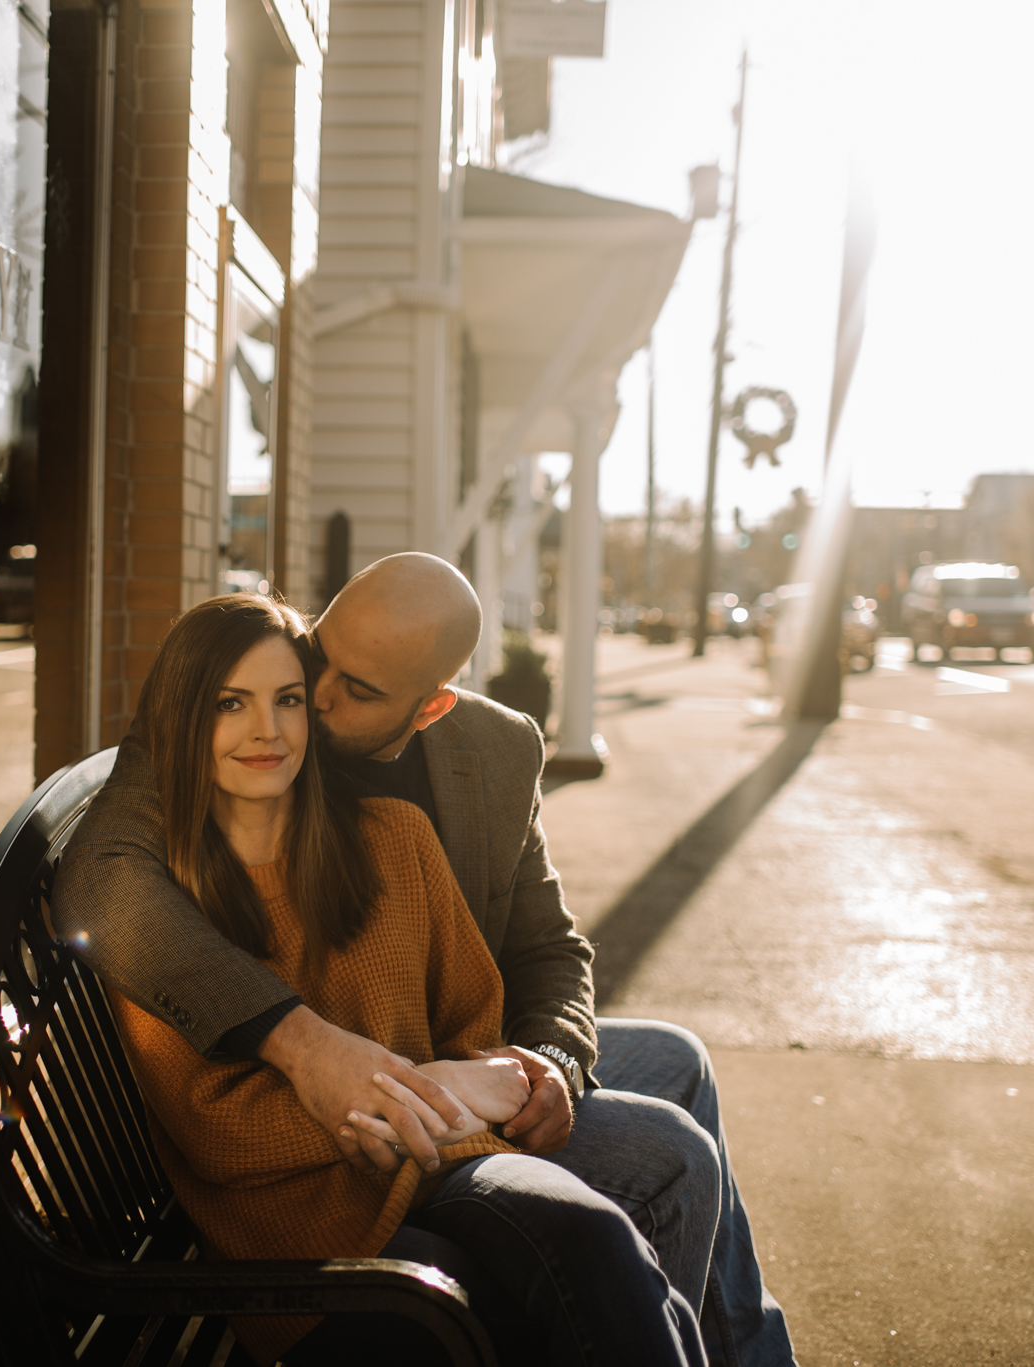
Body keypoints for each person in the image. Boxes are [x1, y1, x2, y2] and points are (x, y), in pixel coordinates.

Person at [55, 555, 796, 1367]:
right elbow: (101, 880)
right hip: (358, 1120)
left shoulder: (490, 755)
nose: (317, 696)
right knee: (669, 1157)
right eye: (319, 657)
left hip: (449, 1068)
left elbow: (546, 947)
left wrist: (548, 1060)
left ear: (431, 704)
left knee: (679, 1066)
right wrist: (312, 1047)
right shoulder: (245, 705)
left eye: (357, 690)